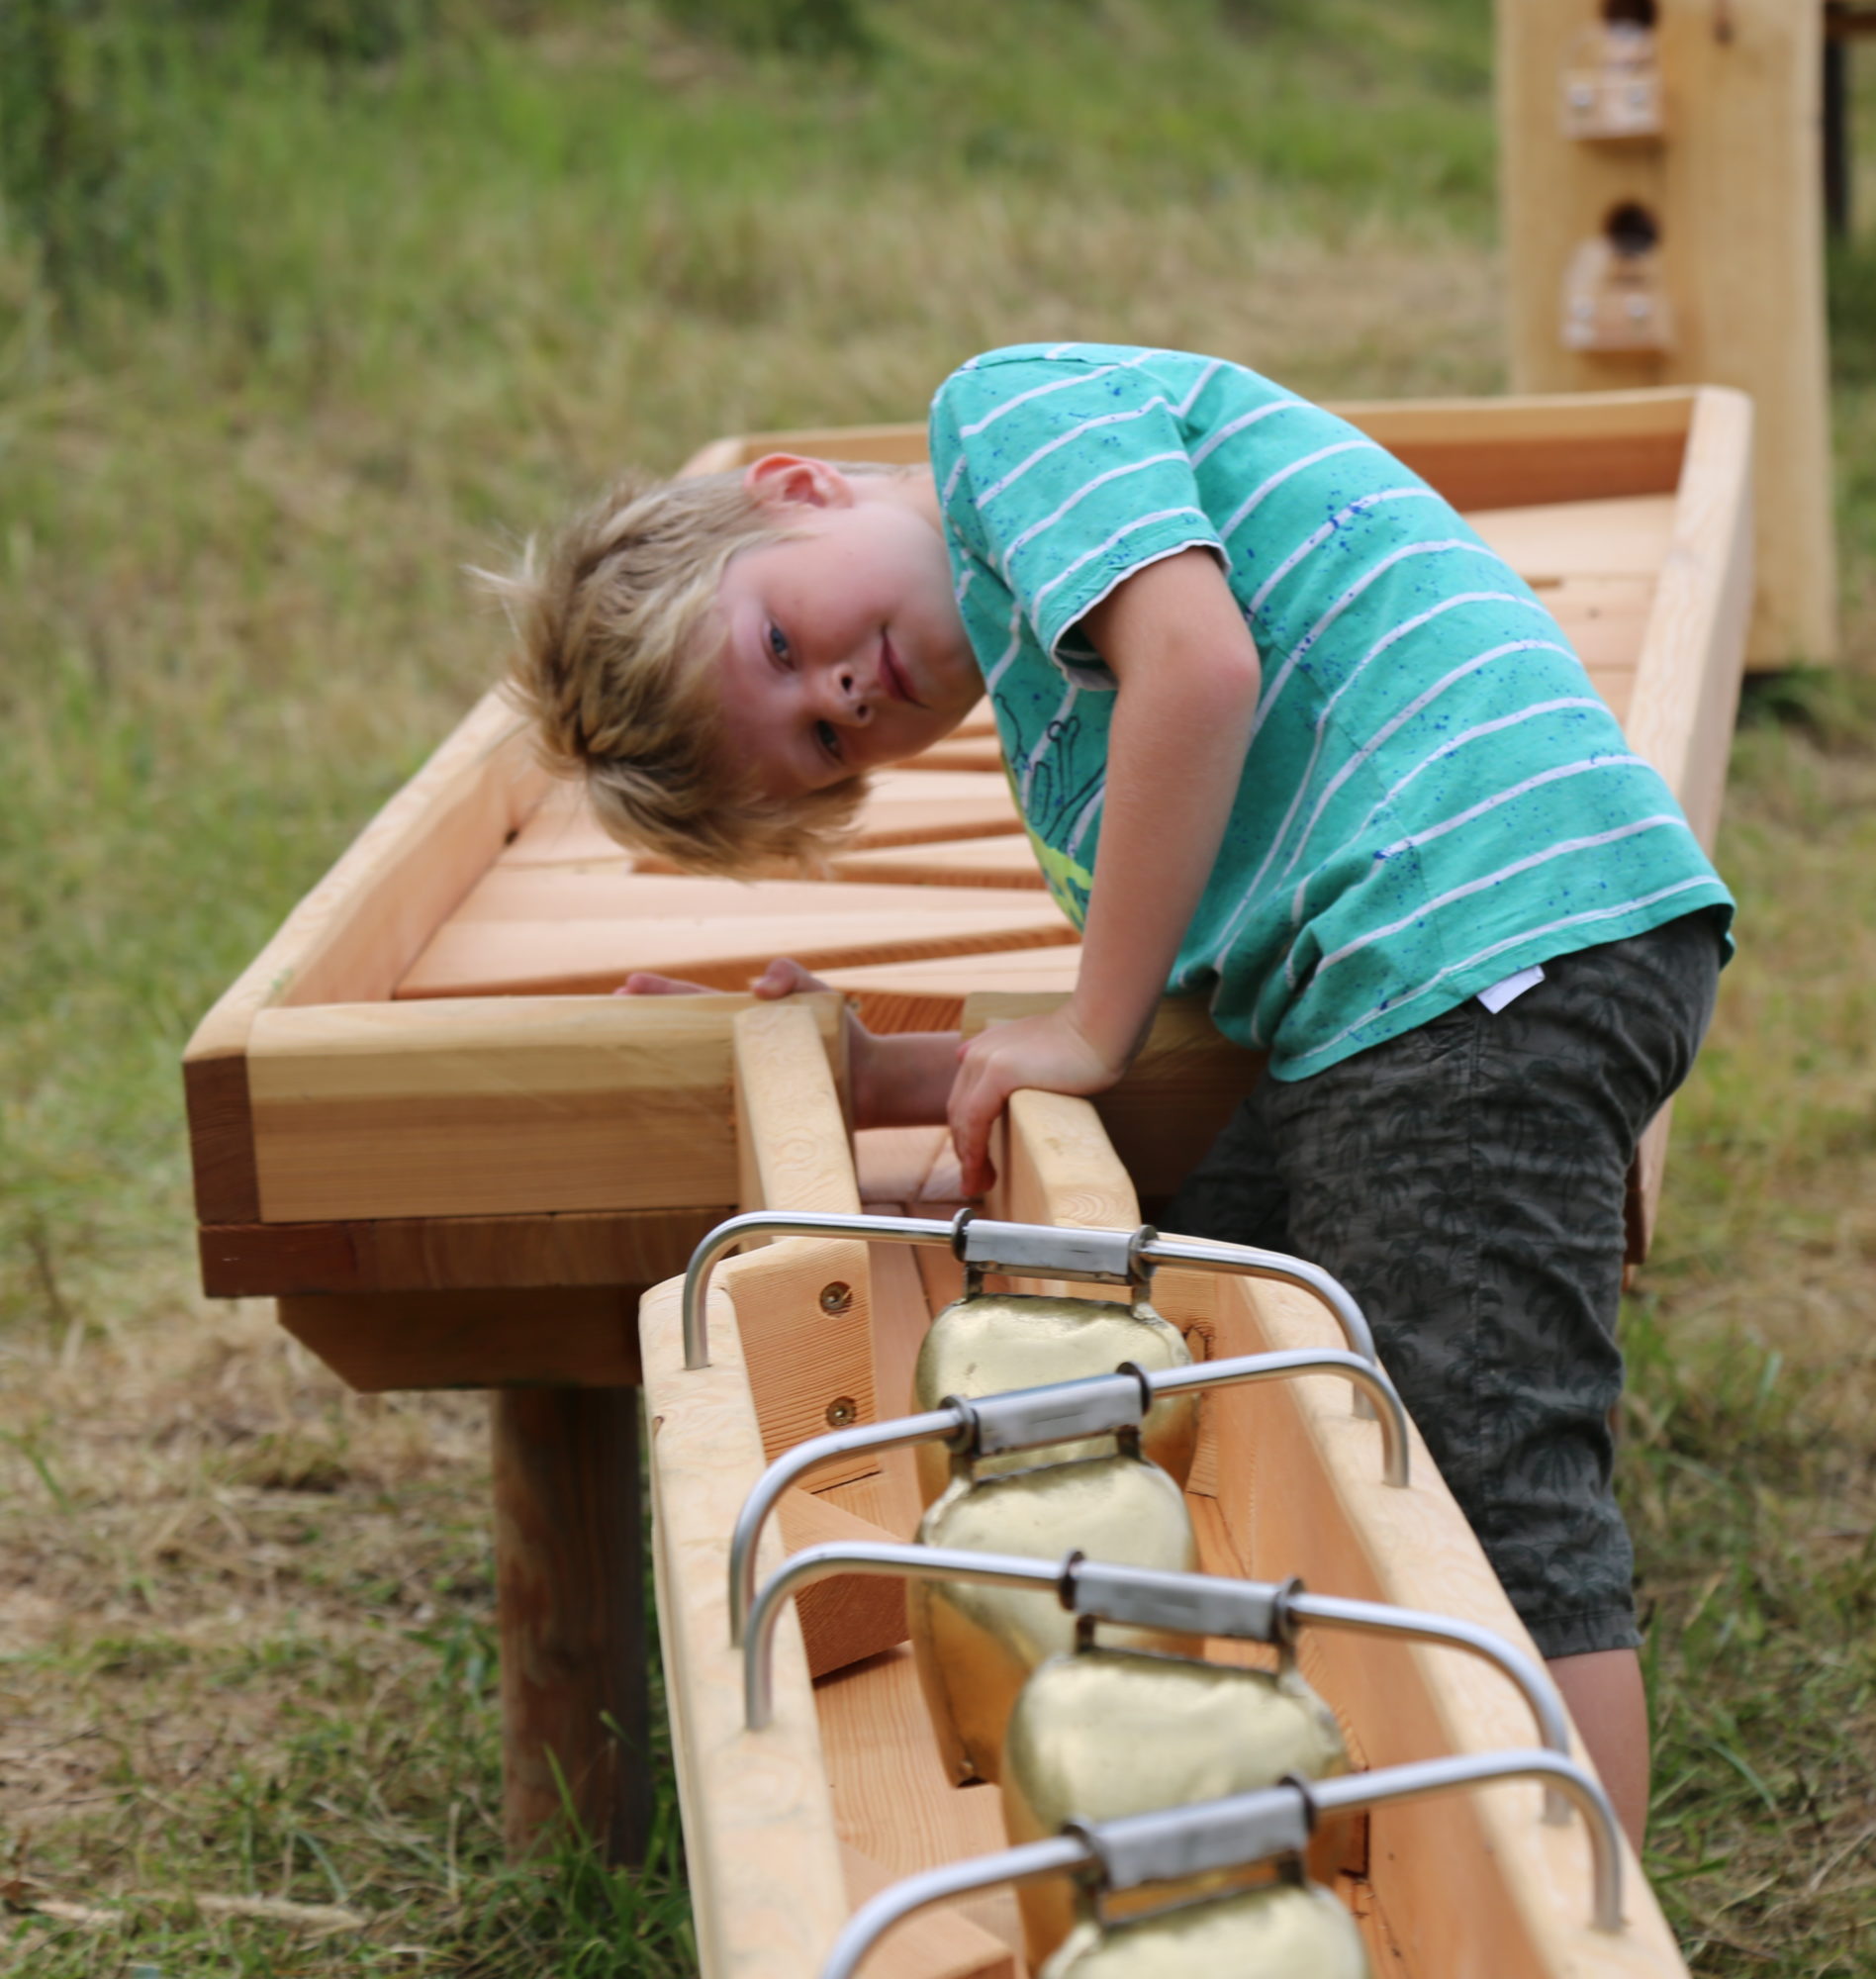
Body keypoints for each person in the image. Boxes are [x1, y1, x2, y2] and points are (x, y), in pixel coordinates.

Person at [496, 341, 1734, 1846]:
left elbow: (1205, 671)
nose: (840, 694)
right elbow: (1179, 988)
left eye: (773, 642)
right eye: (825, 741)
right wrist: (889, 1072)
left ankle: (1558, 1926)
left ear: (794, 492)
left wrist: (1083, 1026)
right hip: (1407, 984)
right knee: (1207, 1330)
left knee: (1482, 1495)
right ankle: (1298, 1804)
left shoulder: (1004, 421)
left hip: (1479, 947)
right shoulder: (1053, 716)